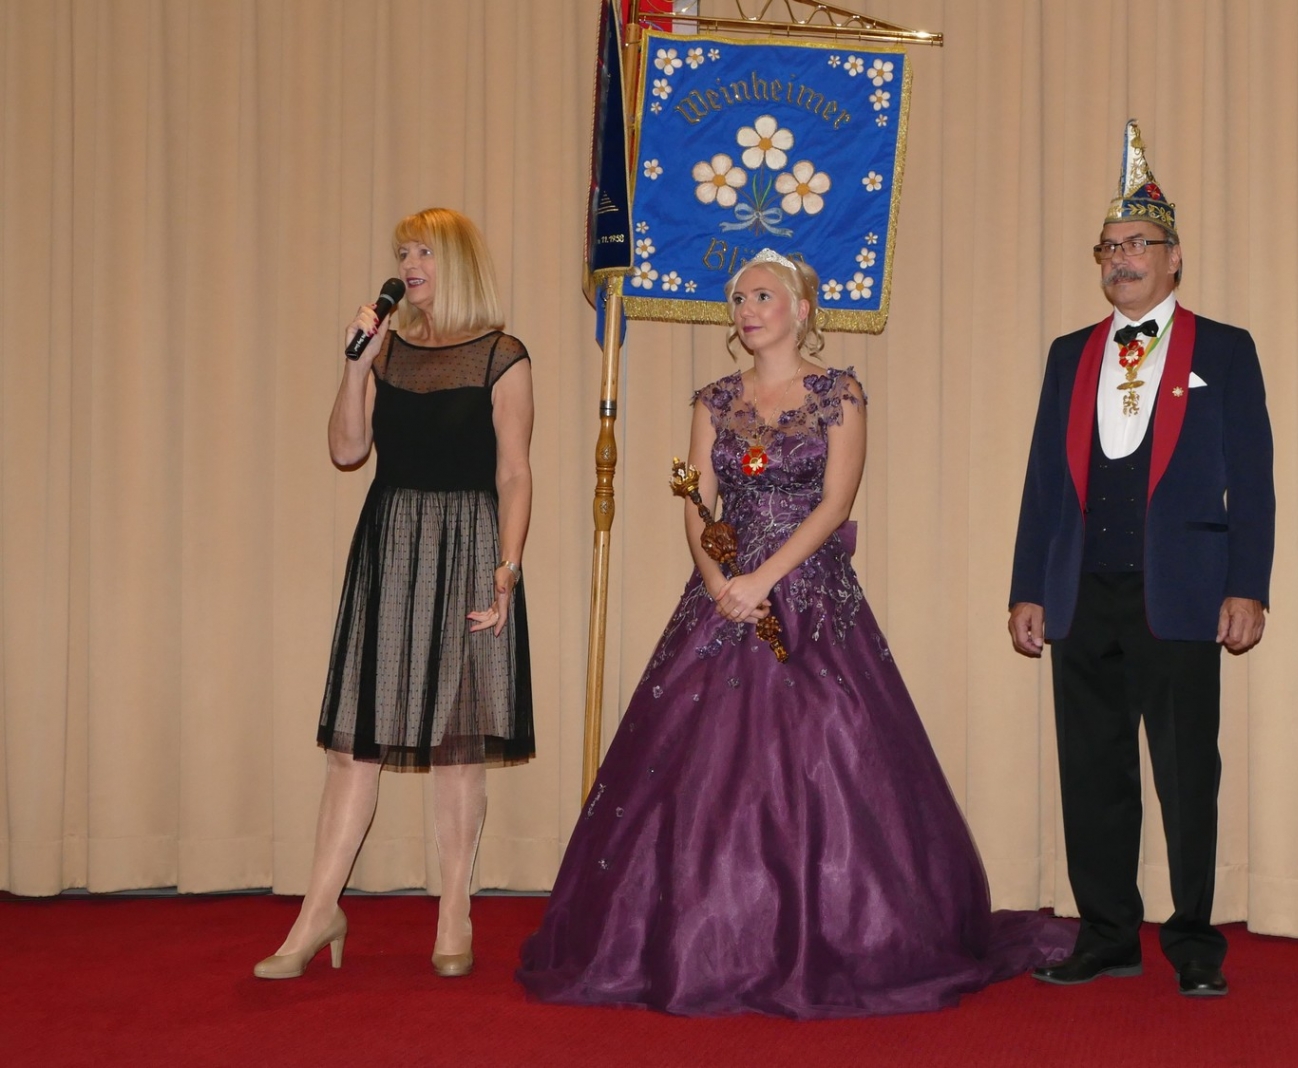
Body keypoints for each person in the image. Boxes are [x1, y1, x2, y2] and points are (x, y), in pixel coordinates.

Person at [517, 250, 1071, 1018]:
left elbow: (836, 503)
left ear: (801, 308)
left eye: (762, 296)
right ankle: (698, 942)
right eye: (739, 298)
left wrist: (764, 579)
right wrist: (719, 582)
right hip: (723, 599)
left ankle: (842, 938)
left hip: (809, 596)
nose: (746, 309)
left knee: (832, 755)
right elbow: (697, 503)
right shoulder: (715, 399)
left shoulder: (838, 393)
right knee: (696, 773)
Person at [1007, 121, 1274, 998]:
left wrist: (1247, 585)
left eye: (1137, 244)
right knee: (1092, 774)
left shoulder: (1225, 349)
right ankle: (1108, 934)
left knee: (1188, 775)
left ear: (1174, 257)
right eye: (1109, 247)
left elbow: (1254, 482)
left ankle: (1194, 942)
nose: (1121, 259)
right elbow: (1044, 481)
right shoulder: (1068, 355)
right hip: (1081, 593)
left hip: (1184, 595)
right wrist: (1027, 588)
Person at [252, 207, 535, 981]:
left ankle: (455, 911)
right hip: (392, 547)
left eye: (424, 252)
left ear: (457, 263)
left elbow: (515, 471)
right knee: (355, 747)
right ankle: (317, 913)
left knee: (457, 748)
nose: (409, 265)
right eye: (404, 252)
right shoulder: (388, 352)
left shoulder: (502, 355)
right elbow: (347, 450)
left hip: (471, 549)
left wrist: (508, 566)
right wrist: (356, 365)